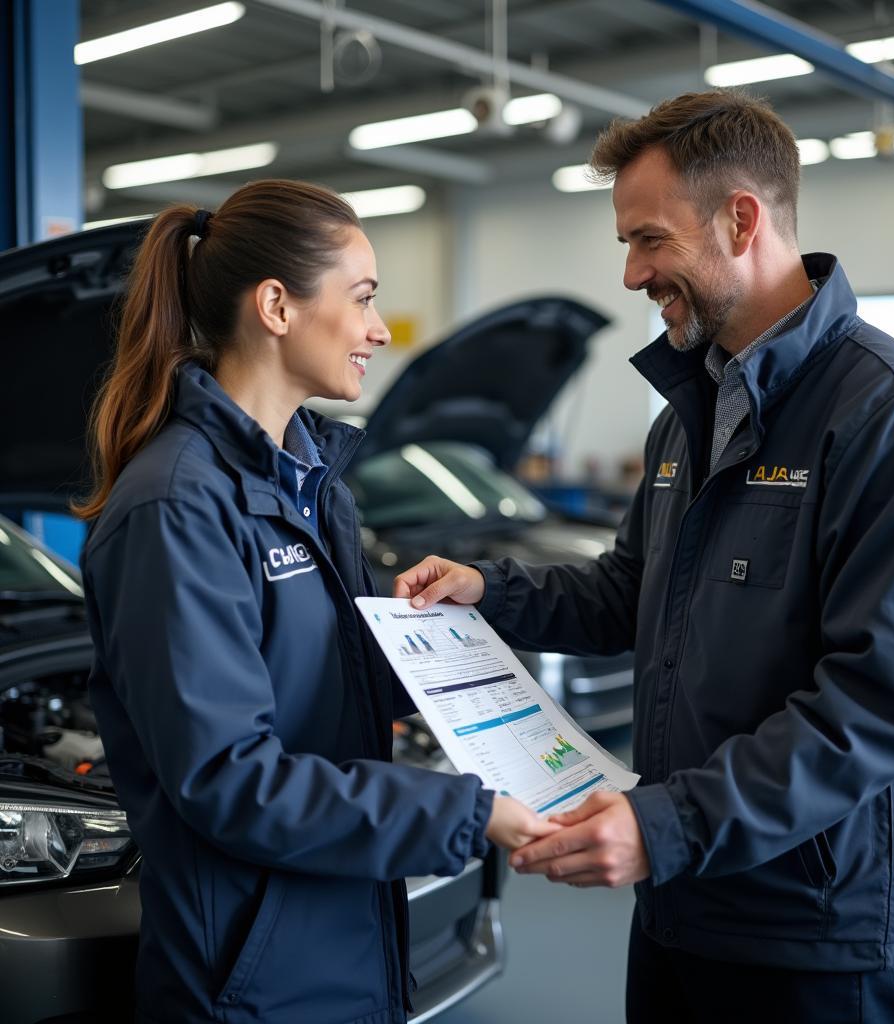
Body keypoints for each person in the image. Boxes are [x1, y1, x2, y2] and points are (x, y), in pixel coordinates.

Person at [394, 92, 894, 1023]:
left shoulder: (893, 418)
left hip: (809, 925)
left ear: (741, 219)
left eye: (649, 240)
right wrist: (490, 590)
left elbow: (875, 711)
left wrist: (664, 825)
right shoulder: (693, 412)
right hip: (685, 894)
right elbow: (629, 591)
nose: (633, 274)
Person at [74, 179, 555, 1024]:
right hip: (250, 973)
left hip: (337, 928)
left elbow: (319, 681)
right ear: (276, 306)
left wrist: (432, 649)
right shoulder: (177, 507)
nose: (378, 328)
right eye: (364, 298)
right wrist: (468, 811)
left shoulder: (309, 481)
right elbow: (230, 779)